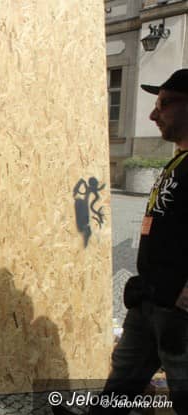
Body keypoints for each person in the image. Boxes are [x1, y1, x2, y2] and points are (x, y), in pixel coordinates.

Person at [91, 69, 188, 414]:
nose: (153, 114)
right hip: (149, 299)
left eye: (164, 104)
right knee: (121, 383)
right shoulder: (179, 160)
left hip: (178, 312)